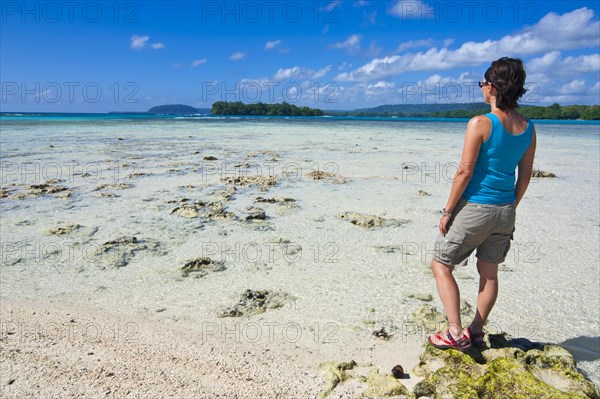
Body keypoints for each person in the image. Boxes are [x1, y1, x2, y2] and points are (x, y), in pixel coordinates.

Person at [427, 57, 537, 351]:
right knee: (489, 274)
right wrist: (511, 204)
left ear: (491, 86)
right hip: (505, 211)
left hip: (475, 207)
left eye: (482, 83)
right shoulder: (528, 127)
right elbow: (525, 174)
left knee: (440, 264)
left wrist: (448, 210)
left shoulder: (480, 123)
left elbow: (464, 172)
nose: (481, 88)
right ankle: (475, 331)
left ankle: (454, 331)